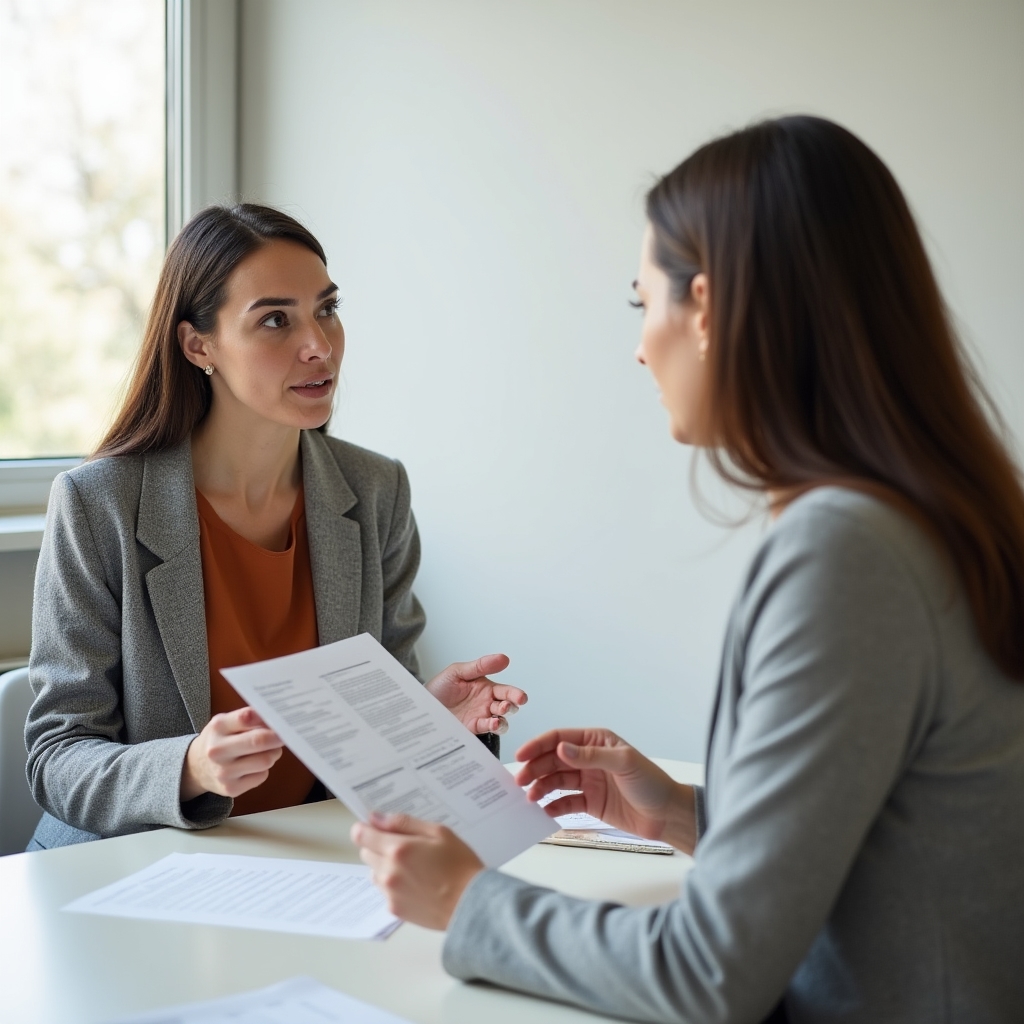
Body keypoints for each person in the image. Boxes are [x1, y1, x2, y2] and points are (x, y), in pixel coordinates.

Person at [351, 117, 1024, 1023]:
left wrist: (465, 901)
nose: (639, 348)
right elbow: (908, 846)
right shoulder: (938, 515)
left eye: (643, 304)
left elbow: (713, 975)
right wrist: (679, 815)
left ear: (705, 307)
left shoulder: (845, 553)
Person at [25, 204, 525, 850]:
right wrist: (189, 769)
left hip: (311, 861)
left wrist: (428, 721)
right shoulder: (99, 505)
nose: (318, 344)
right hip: (129, 868)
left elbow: (373, 737)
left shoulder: (375, 492)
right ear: (198, 345)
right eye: (274, 320)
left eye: (327, 308)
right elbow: (57, 756)